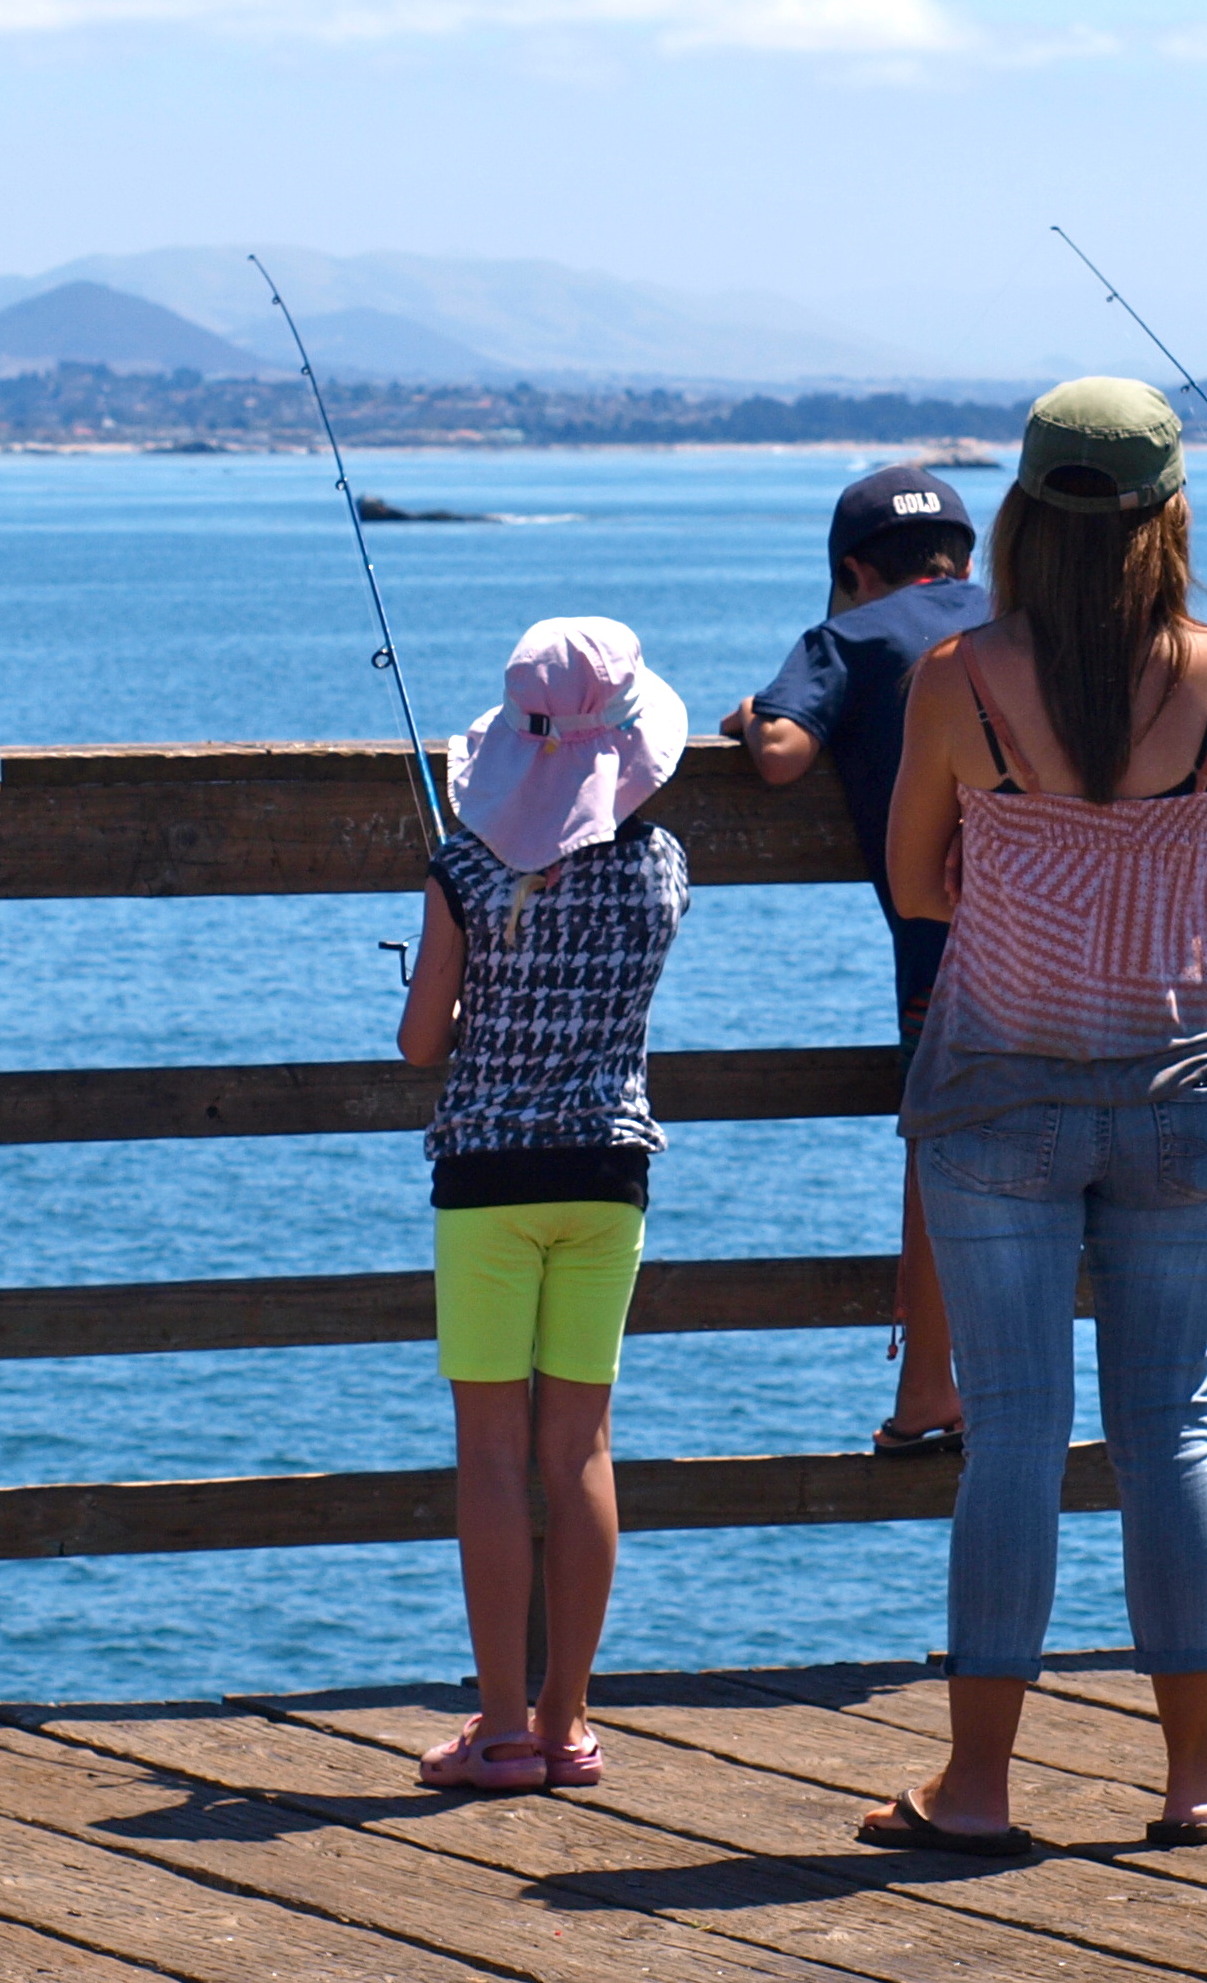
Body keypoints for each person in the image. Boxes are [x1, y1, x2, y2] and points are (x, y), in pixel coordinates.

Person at [861, 377, 1207, 1858]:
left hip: (998, 1089)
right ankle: (1193, 1774)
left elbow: (916, 880)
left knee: (1015, 1436)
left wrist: (1022, 888)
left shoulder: (958, 680)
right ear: (1170, 518)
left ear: (1024, 519)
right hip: (1182, 1093)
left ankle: (976, 1785)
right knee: (1169, 1429)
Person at [398, 616, 692, 1794]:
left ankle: (500, 1723)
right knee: (581, 1445)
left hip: (484, 1184)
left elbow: (425, 1041)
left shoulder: (462, 870)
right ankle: (569, 1722)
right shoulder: (664, 865)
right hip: (608, 1176)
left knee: (489, 1453)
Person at [720, 464, 988, 1456]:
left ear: (852, 569)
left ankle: (929, 1387)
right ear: (964, 557)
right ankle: (1019, 1386)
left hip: (942, 957)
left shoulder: (852, 635)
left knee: (943, 1155)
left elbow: (784, 749)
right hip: (1082, 941)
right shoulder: (1025, 618)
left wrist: (751, 711)